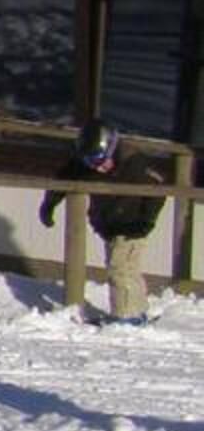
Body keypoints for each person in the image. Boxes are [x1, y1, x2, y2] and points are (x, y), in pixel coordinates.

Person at [39, 121, 169, 324]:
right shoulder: (85, 165)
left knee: (120, 270)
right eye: (91, 162)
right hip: (109, 225)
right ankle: (138, 310)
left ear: (112, 147)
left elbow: (158, 191)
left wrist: (146, 221)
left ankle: (126, 315)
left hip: (132, 226)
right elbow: (64, 177)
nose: (98, 167)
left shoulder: (135, 163)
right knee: (126, 268)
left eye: (100, 160)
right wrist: (49, 204)